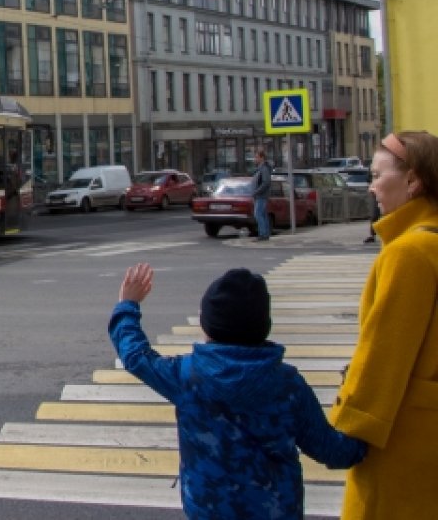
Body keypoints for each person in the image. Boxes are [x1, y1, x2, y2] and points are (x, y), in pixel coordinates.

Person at [110, 263, 366, 519]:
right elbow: (331, 449)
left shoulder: (188, 376)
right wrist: (366, 438)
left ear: (208, 325)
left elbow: (135, 356)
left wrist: (127, 305)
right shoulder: (287, 384)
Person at [331, 131, 438, 518]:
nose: (371, 186)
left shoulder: (409, 252)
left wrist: (348, 428)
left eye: (378, 175)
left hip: (404, 440)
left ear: (412, 181)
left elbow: (384, 355)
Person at [251, 150, 272, 241]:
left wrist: (256, 192)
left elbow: (266, 182)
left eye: (256, 157)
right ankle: (265, 233)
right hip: (260, 195)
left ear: (261, 158)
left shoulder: (264, 169)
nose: (255, 159)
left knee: (258, 214)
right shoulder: (260, 168)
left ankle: (263, 234)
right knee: (263, 215)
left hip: (261, 195)